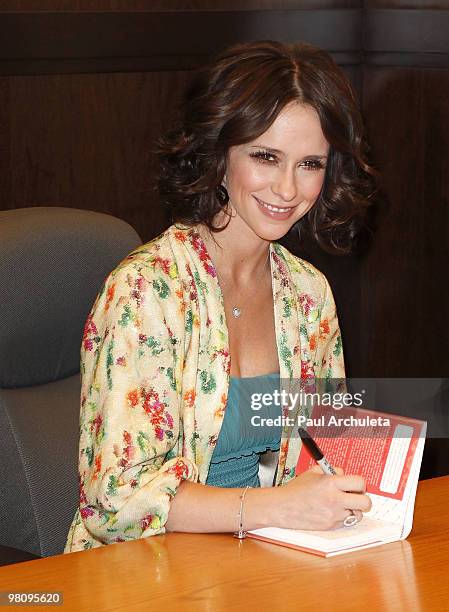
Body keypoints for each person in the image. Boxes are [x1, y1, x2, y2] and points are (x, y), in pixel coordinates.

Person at [65, 40, 376, 552]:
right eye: (266, 157)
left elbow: (323, 451)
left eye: (310, 164)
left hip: (267, 561)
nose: (287, 189)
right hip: (145, 574)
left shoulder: (308, 294)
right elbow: (114, 503)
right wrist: (276, 507)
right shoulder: (146, 290)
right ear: (219, 152)